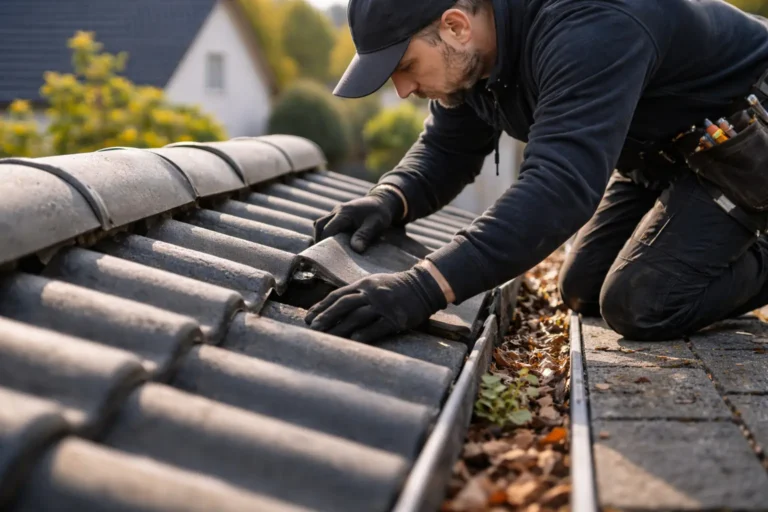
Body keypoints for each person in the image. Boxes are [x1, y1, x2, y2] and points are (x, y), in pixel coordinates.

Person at [304, 0, 768, 342]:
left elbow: (559, 188)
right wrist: (389, 198)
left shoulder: (588, 26)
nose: (404, 89)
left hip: (745, 136)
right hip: (663, 155)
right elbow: (449, 147)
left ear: (456, 25)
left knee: (640, 304)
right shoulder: (476, 58)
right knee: (583, 289)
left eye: (405, 67)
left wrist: (422, 288)